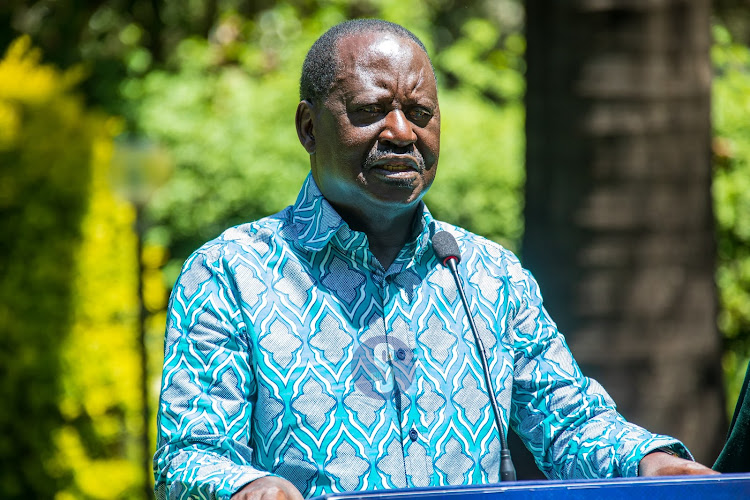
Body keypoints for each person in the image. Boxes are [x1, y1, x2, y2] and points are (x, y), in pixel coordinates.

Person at [153, 18, 716, 500]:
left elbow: (570, 423)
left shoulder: (488, 275)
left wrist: (649, 462)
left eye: (420, 112)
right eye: (372, 110)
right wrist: (245, 486)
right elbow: (188, 457)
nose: (401, 132)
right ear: (308, 126)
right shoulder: (232, 270)